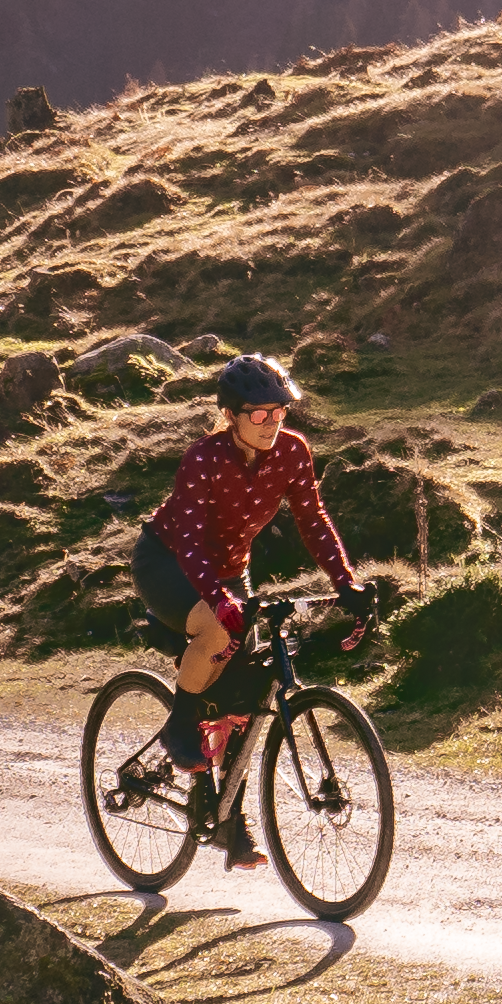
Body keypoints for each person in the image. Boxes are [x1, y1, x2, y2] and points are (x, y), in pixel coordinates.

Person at [126, 348, 367, 866]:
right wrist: (218, 599)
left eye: (280, 411)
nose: (272, 422)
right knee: (217, 632)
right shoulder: (204, 459)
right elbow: (190, 543)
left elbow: (313, 519)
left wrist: (345, 583)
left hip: (230, 570)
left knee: (245, 697)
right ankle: (180, 725)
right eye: (259, 414)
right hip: (168, 562)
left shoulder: (293, 452)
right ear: (231, 415)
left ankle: (229, 823)